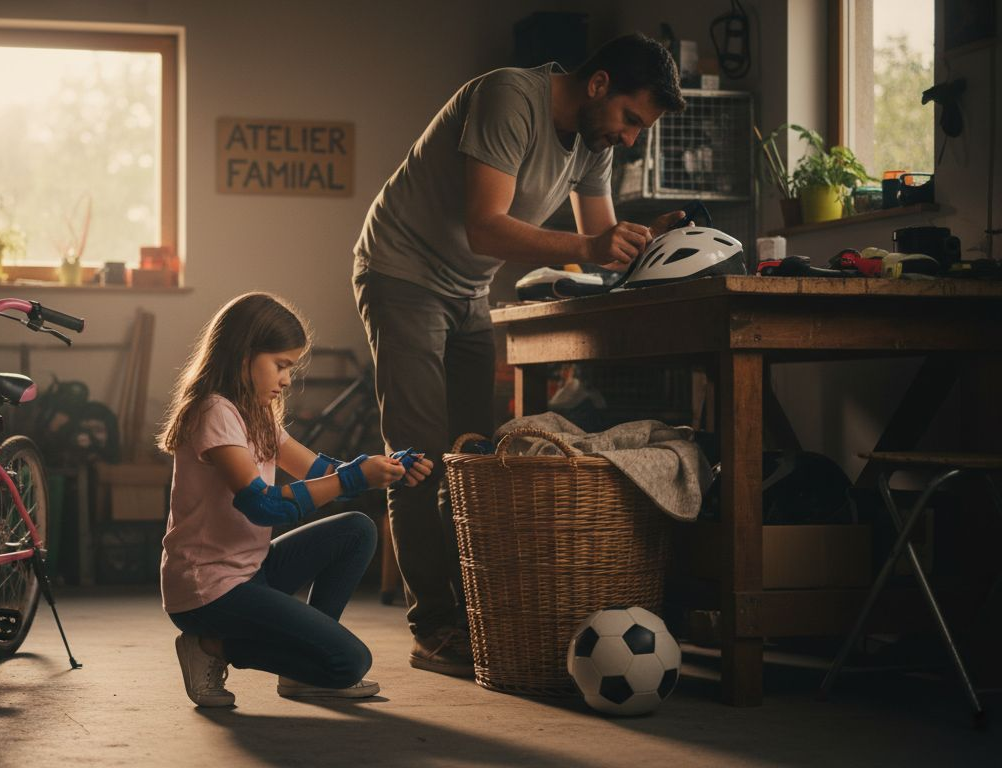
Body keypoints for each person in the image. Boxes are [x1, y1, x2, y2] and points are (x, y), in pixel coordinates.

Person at [352, 32, 688, 677]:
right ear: (598, 86)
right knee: (422, 456)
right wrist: (594, 249)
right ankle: (434, 627)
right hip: (402, 271)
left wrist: (650, 244)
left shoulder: (592, 141)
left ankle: (477, 612)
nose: (630, 138)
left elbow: (597, 238)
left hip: (469, 287)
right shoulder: (510, 96)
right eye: (631, 119)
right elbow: (487, 224)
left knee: (474, 456)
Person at [157, 292, 434, 707]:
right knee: (349, 663)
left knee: (357, 529)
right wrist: (355, 477)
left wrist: (383, 470)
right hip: (209, 591)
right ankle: (211, 645)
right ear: (242, 354)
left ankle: (302, 668)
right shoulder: (213, 412)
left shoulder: (257, 413)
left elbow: (320, 472)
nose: (287, 379)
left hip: (251, 570)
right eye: (281, 365)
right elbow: (264, 504)